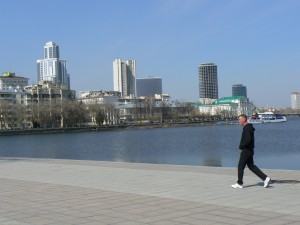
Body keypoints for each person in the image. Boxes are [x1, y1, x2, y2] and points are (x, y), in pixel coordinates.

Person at [231, 114, 271, 189]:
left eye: (239, 119)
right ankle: (265, 178)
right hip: (249, 150)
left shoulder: (247, 128)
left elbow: (248, 140)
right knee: (251, 166)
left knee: (240, 166)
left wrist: (242, 146)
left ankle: (239, 183)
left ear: (244, 120)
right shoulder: (248, 128)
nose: (238, 121)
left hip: (246, 150)